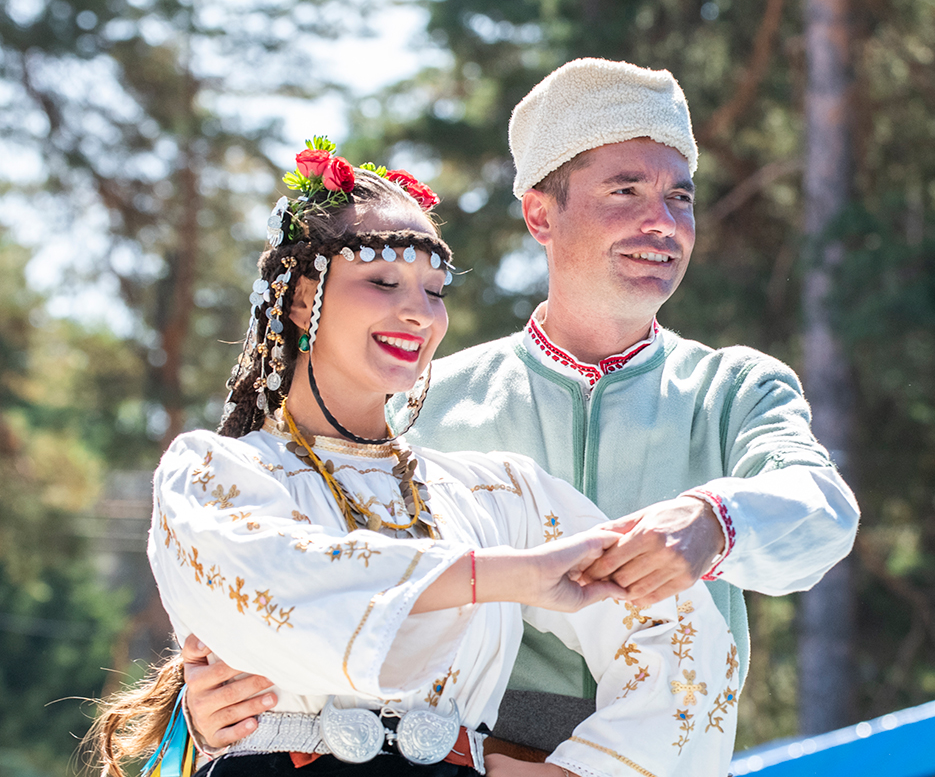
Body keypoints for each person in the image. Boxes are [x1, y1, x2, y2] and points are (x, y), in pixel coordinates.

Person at [187, 58, 860, 757]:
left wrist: (714, 522)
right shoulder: (416, 405)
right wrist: (220, 712)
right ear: (541, 214)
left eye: (680, 198)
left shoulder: (737, 389)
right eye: (626, 190)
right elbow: (324, 587)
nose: (662, 223)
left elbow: (821, 509)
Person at [88, 146, 737, 777]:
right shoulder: (216, 475)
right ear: (302, 299)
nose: (419, 313)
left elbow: (675, 626)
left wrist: (582, 771)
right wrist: (507, 576)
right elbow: (282, 580)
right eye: (382, 281)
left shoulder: (495, 496)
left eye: (435, 290)